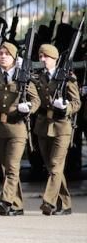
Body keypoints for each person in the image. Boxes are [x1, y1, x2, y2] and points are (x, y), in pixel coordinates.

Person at [0, 41, 39, 216]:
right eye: (1, 54)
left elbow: (36, 100)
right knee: (6, 167)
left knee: (13, 167)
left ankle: (6, 201)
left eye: (7, 54)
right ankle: (17, 205)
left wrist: (28, 107)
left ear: (14, 58)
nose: (3, 56)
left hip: (17, 129)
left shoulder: (24, 77)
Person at [33, 43, 81, 216]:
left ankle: (48, 201)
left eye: (45, 57)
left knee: (55, 165)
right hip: (43, 125)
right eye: (40, 56)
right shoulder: (37, 77)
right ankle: (66, 203)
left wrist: (66, 107)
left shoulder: (67, 77)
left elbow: (77, 102)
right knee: (52, 167)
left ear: (54, 59)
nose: (42, 59)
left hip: (62, 126)